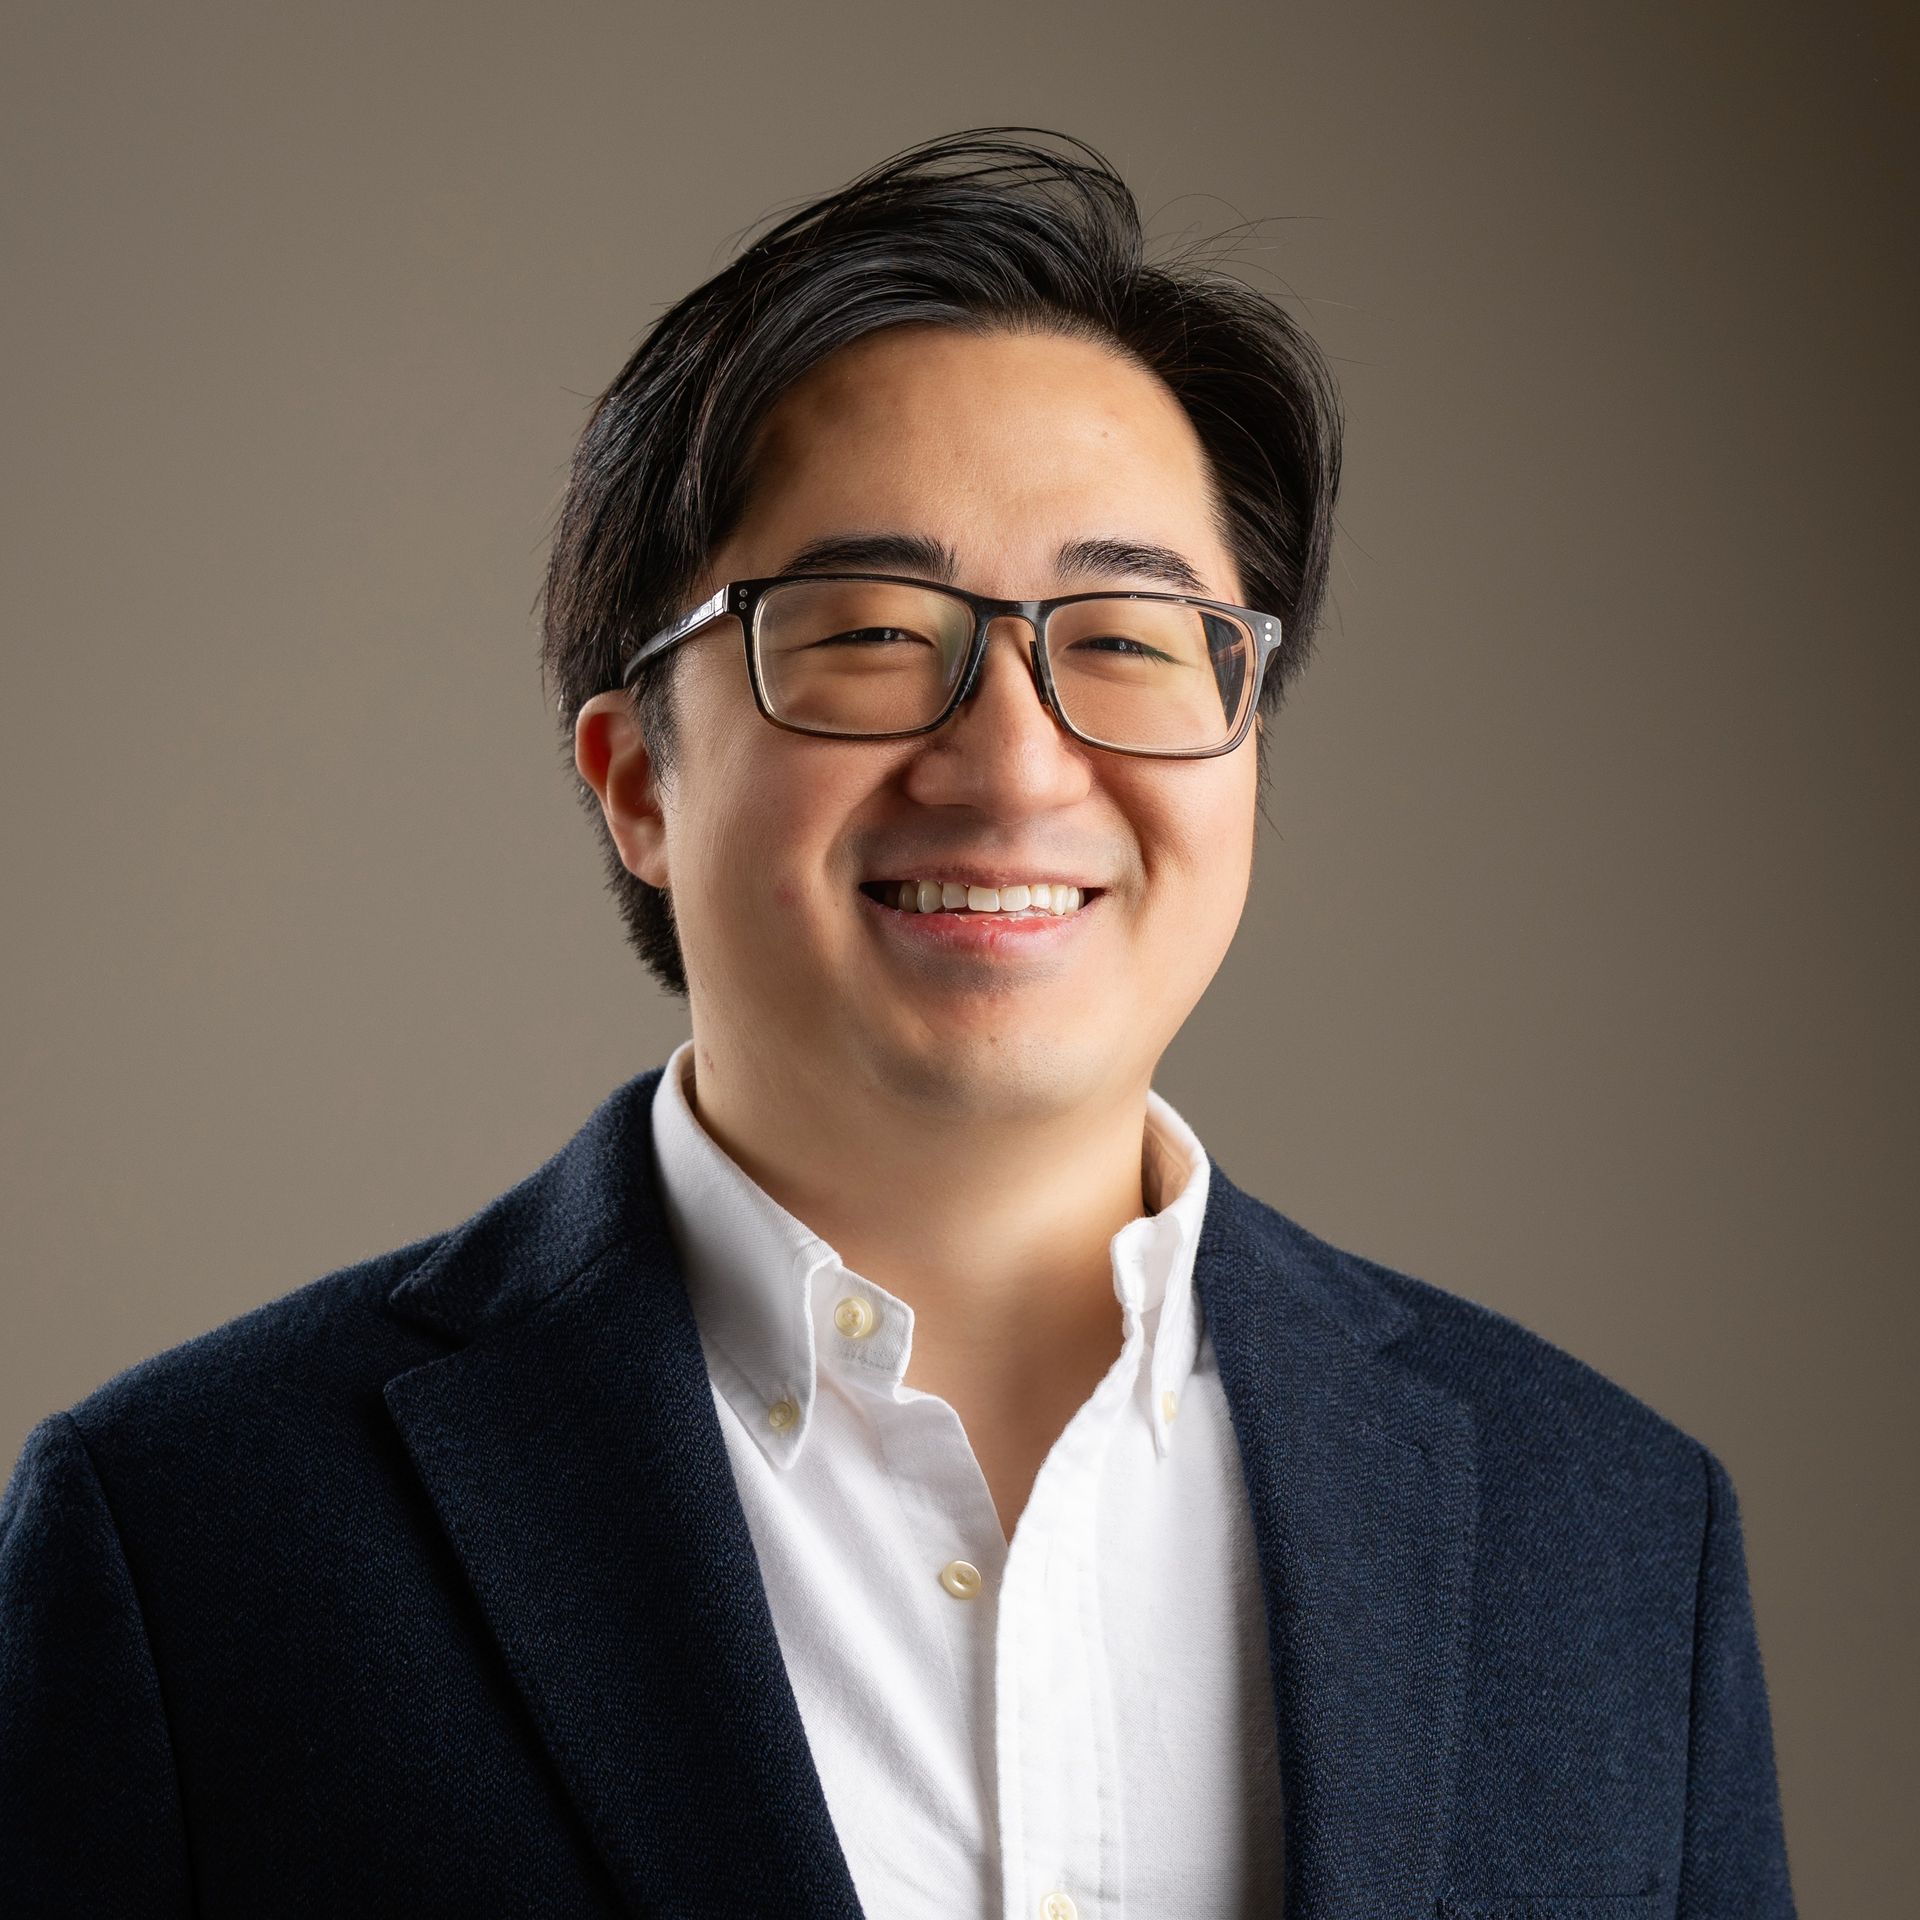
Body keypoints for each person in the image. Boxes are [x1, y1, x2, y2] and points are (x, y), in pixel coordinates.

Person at [0, 130, 1795, 1919]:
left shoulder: (1612, 1535)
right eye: (867, 632)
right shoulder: (191, 1538)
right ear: (635, 780)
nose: (1014, 761)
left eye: (1128, 640)